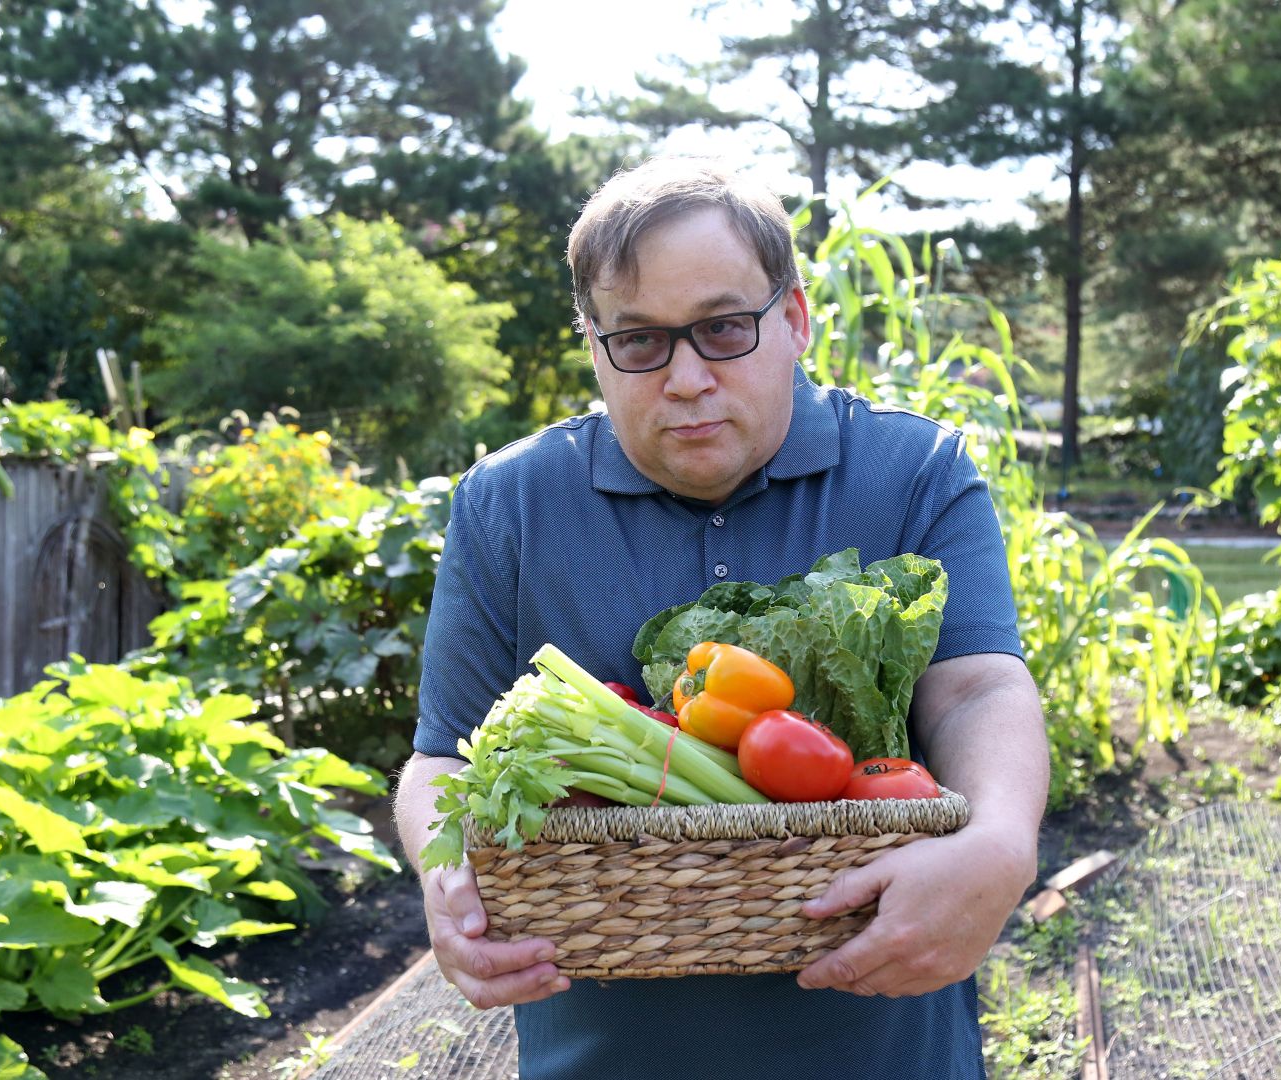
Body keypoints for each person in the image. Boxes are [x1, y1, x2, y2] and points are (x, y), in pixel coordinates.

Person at [391, 157, 1048, 1080]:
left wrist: (1000, 844)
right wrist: (444, 875)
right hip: (602, 1055)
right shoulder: (511, 504)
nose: (687, 378)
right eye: (640, 341)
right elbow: (442, 760)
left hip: (883, 1042)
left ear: (794, 319)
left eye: (724, 327)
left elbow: (979, 685)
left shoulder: (915, 470)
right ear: (594, 347)